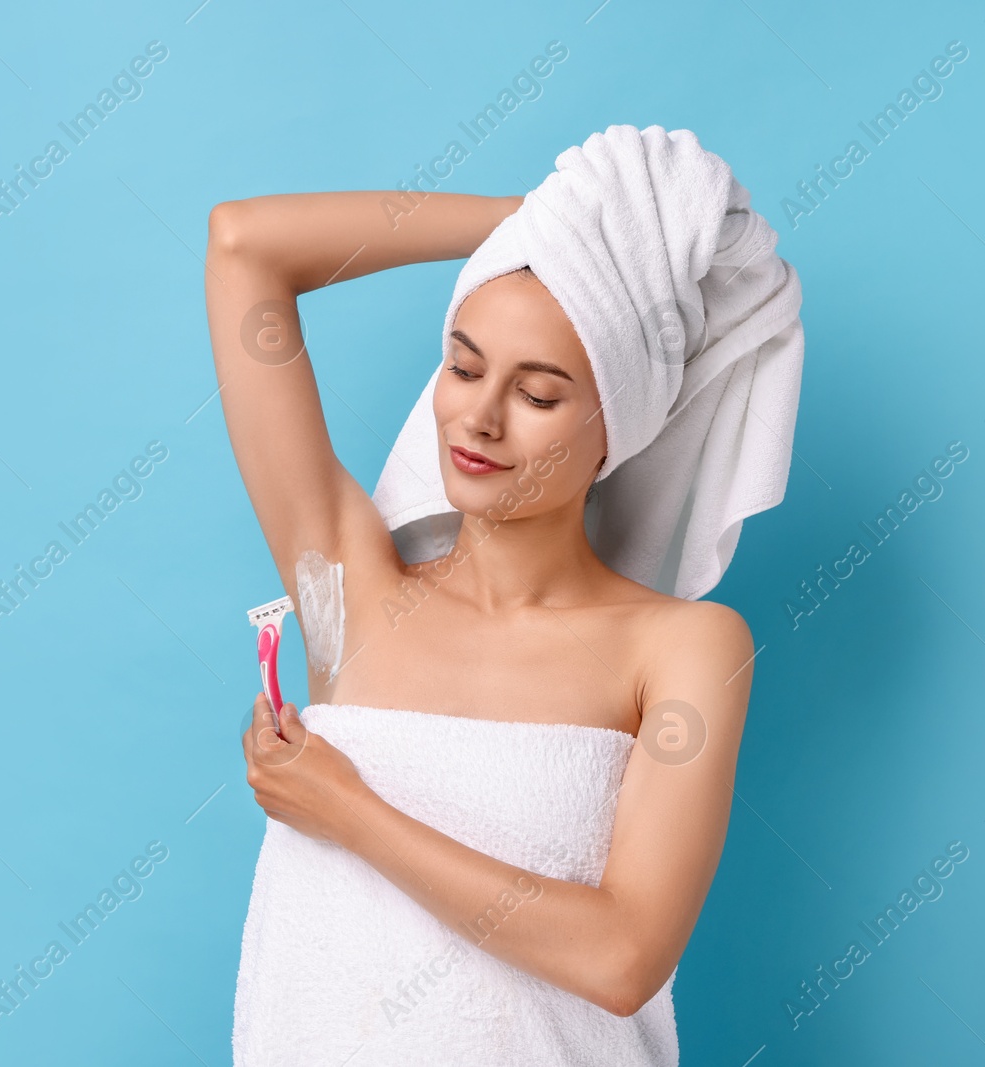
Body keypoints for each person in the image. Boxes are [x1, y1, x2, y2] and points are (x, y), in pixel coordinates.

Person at [206, 125, 804, 1065]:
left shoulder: (681, 647)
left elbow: (622, 956)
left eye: (539, 393)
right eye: (464, 364)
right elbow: (246, 245)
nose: (478, 418)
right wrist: (539, 231)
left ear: (620, 428)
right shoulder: (347, 592)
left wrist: (349, 811)